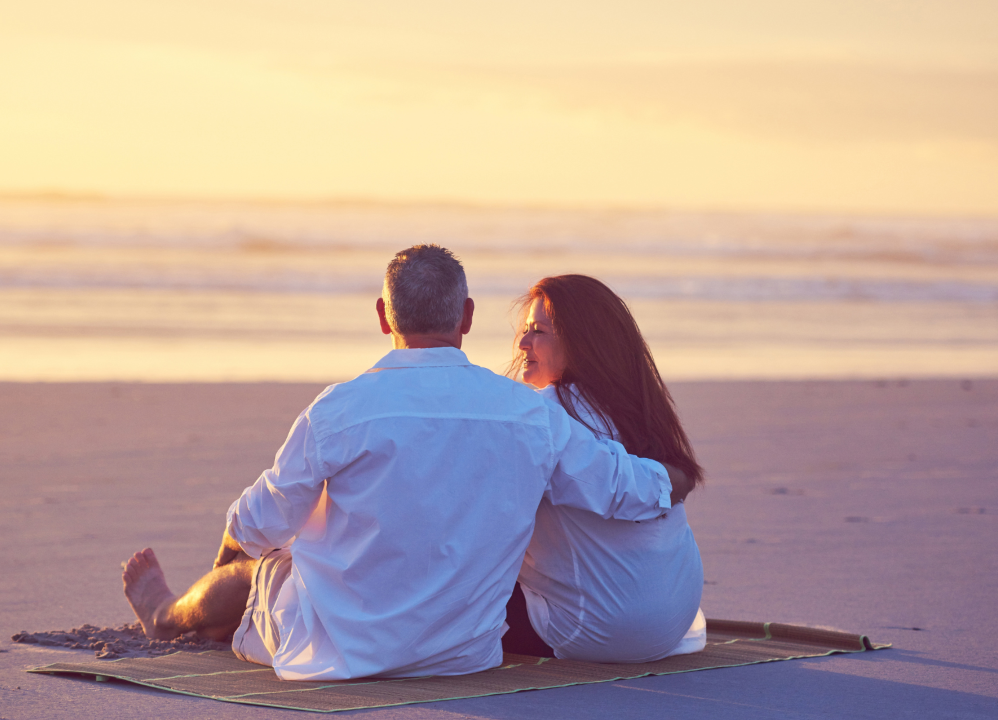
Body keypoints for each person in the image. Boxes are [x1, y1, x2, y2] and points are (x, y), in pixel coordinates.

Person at [120, 245, 677, 681]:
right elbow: (630, 488)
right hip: (463, 654)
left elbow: (256, 523)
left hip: (345, 651)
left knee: (257, 566)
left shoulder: (339, 410)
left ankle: (167, 614)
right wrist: (674, 476)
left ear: (384, 316)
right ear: (467, 316)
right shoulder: (530, 415)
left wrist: (231, 555)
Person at [501, 274, 708, 663]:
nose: (523, 343)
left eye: (538, 331)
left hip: (601, 632)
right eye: (526, 330)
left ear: (582, 345)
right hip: (673, 621)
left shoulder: (543, 417)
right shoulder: (634, 409)